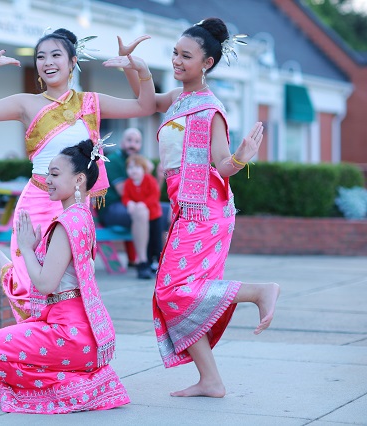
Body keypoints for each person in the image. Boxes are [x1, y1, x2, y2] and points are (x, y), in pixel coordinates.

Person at [120, 18, 280, 397]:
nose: (177, 61)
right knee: (174, 292)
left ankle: (258, 291)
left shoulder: (210, 109)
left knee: (173, 291)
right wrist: (133, 65)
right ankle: (211, 380)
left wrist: (242, 157)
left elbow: (222, 165)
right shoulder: (178, 99)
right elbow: (145, 103)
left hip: (206, 211)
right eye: (175, 53)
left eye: (186, 56)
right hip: (185, 209)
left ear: (206, 63)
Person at [0, 28, 156, 322]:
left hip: (76, 206)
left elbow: (146, 106)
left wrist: (139, 69)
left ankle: (60, 352)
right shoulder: (26, 103)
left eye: (55, 55)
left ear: (72, 61)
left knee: (69, 286)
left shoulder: (91, 102)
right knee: (30, 287)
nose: (48, 62)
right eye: (41, 57)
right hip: (38, 201)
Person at [0, 139, 130, 413]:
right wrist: (33, 250)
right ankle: (87, 380)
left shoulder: (66, 223)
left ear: (79, 179)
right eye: (48, 173)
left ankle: (84, 386)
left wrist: (25, 248)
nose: (47, 180)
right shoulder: (82, 217)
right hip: (82, 335)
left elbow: (45, 284)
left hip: (68, 334)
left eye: (55, 174)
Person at [97, 128, 162, 279]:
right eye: (129, 140)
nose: (133, 145)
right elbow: (124, 192)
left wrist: (156, 176)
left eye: (137, 141)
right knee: (142, 211)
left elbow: (150, 192)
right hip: (112, 208)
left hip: (136, 205)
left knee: (169, 211)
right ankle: (142, 262)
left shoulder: (138, 162)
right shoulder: (114, 161)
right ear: (122, 142)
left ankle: (163, 261)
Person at [121, 152, 163, 274]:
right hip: (140, 216)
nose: (133, 170)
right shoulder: (129, 183)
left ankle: (157, 263)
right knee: (146, 240)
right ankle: (146, 261)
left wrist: (143, 203)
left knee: (155, 241)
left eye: (137, 167)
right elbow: (126, 197)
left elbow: (154, 196)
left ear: (144, 169)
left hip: (154, 216)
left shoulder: (149, 180)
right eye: (130, 167)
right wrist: (129, 203)